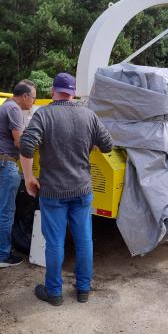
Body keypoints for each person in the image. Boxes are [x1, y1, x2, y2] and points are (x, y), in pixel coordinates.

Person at [19, 73, 113, 305]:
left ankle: (54, 293)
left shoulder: (44, 114)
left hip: (53, 192)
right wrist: (88, 145)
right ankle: (83, 289)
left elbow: (26, 145)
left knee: (55, 243)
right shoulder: (88, 115)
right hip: (82, 190)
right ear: (73, 93)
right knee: (84, 240)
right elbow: (108, 145)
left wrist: (29, 177)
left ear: (53, 91)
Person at [0, 80, 37, 268]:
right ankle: (2, 256)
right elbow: (19, 142)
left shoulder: (5, 106)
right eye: (33, 98)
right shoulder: (14, 109)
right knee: (7, 212)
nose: (33, 102)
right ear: (25, 96)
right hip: (5, 165)